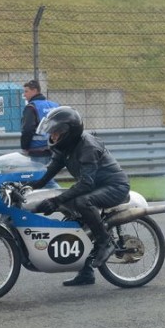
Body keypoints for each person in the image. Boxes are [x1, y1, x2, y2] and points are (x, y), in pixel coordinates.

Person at [30, 107, 130, 286]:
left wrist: (56, 201)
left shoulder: (87, 147)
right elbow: (48, 173)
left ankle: (105, 241)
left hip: (115, 186)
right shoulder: (65, 147)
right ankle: (86, 272)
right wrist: (27, 186)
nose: (52, 136)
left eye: (55, 132)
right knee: (72, 217)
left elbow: (86, 184)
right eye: (51, 133)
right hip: (96, 187)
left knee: (82, 202)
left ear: (68, 132)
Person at [21, 80, 59, 187]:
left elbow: (27, 130)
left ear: (34, 90)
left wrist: (25, 146)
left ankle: (64, 199)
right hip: (54, 149)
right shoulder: (54, 105)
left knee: (42, 180)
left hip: (37, 151)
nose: (24, 95)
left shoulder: (31, 107)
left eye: (26, 91)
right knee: (46, 178)